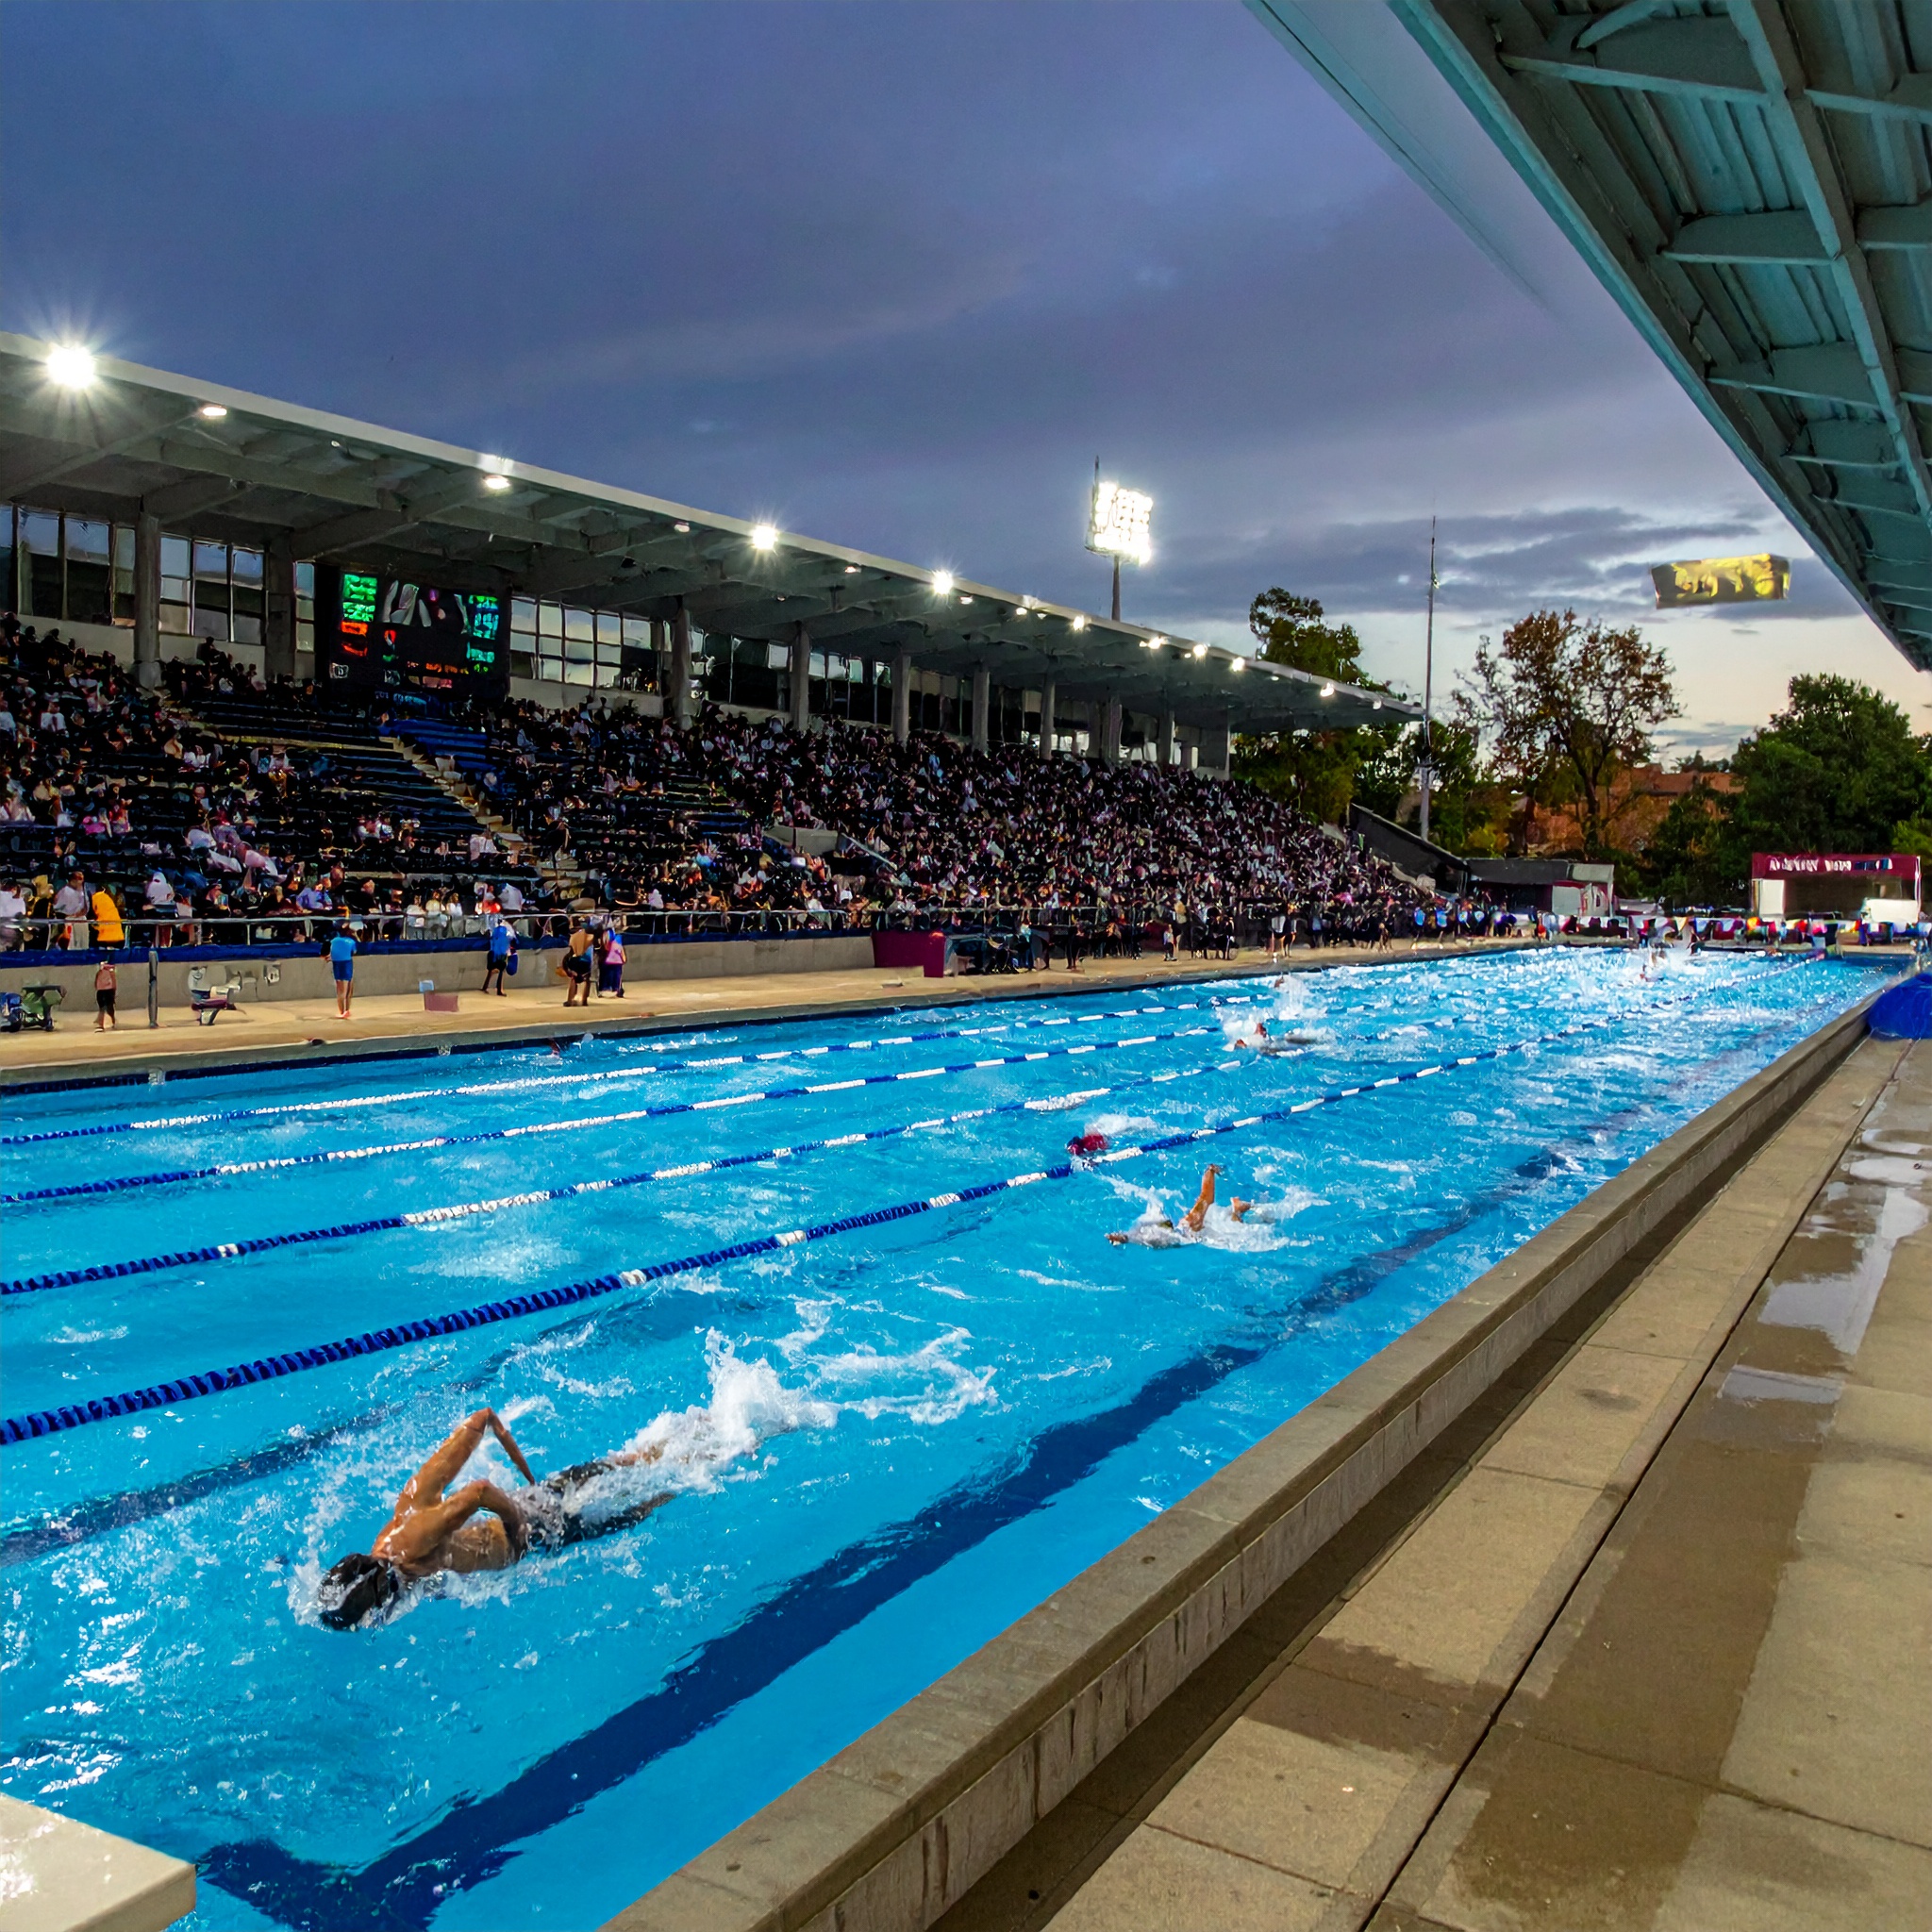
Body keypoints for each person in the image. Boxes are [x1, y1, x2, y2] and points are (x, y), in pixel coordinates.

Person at [315, 1407, 671, 1630]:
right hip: (528, 1508)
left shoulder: (413, 1542)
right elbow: (482, 1419)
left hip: (534, 1533)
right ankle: (660, 1456)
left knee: (632, 1515)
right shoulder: (402, 1520)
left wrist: (517, 1529)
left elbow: (480, 1491)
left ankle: (683, 1481)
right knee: (607, 1473)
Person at [1107, 1164, 1248, 1245]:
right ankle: (1237, 1210)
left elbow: (1206, 1197)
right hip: (1185, 1233)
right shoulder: (1190, 1226)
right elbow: (1206, 1198)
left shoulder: (1191, 1224)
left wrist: (1210, 1172)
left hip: (1186, 1233)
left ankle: (1237, 1209)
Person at [329, 918, 358, 1019]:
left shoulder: (333, 941)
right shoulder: (350, 941)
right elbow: (354, 952)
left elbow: (331, 953)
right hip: (346, 964)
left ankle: (342, 1011)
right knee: (347, 990)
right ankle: (346, 1010)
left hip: (337, 964)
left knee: (340, 990)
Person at [561, 920, 594, 1006]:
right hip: (586, 961)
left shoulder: (574, 937)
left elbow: (571, 952)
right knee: (587, 980)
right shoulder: (591, 937)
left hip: (575, 960)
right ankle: (584, 1000)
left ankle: (570, 1000)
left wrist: (566, 962)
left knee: (573, 979)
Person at [484, 915, 514, 995]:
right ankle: (499, 989)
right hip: (500, 952)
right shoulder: (505, 928)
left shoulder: (493, 927)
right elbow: (511, 937)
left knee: (493, 969)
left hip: (494, 951)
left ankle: (486, 986)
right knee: (500, 969)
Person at [93, 958, 117, 1030]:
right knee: (103, 1008)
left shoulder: (109, 968)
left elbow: (113, 979)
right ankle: (101, 1023)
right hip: (103, 990)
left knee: (108, 1008)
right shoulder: (101, 968)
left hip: (107, 990)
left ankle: (110, 1021)